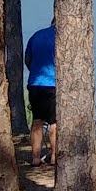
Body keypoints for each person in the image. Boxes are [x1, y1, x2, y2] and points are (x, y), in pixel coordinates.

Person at [24, 23, 56, 166]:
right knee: (55, 122)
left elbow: (28, 59)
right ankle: (54, 156)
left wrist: (35, 71)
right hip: (54, 84)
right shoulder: (64, 36)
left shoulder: (36, 35)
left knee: (37, 121)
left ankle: (35, 158)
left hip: (35, 83)